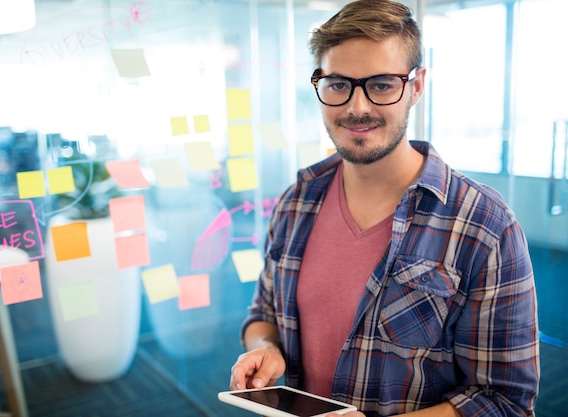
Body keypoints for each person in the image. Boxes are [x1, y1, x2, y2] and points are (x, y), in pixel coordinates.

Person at [228, 0, 540, 416]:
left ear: (416, 85)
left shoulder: (484, 225)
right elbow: (263, 312)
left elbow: (506, 401)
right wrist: (266, 348)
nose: (357, 107)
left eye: (381, 84)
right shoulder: (296, 201)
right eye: (338, 84)